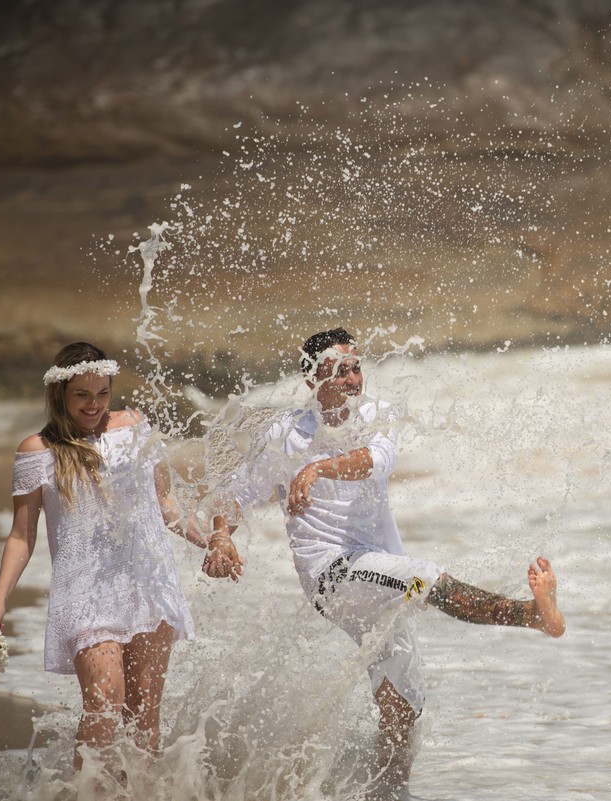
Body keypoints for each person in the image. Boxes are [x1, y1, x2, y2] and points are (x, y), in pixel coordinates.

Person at [203, 327, 564, 799]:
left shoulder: (376, 415)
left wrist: (318, 468)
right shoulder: (285, 435)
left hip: (383, 590)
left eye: (356, 368)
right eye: (340, 371)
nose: (353, 379)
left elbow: (374, 461)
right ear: (313, 379)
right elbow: (234, 496)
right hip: (332, 578)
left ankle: (388, 794)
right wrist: (219, 538)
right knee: (426, 578)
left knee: (403, 702)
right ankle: (528, 614)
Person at [0, 342, 239, 772]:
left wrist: (208, 540)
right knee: (104, 704)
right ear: (60, 393)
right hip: (86, 592)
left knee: (144, 718)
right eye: (82, 394)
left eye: (102, 393)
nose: (94, 405)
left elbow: (165, 502)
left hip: (147, 584)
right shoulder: (37, 451)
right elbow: (22, 536)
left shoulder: (134, 426)